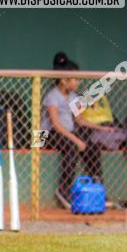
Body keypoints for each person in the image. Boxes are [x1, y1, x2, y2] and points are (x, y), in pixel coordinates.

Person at [41, 52, 115, 208]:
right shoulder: (52, 96)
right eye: (76, 79)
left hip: (66, 133)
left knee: (92, 148)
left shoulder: (74, 96)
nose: (79, 82)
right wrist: (76, 140)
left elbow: (80, 119)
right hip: (45, 134)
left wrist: (102, 127)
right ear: (64, 80)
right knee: (73, 146)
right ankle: (64, 189)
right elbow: (55, 124)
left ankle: (97, 188)